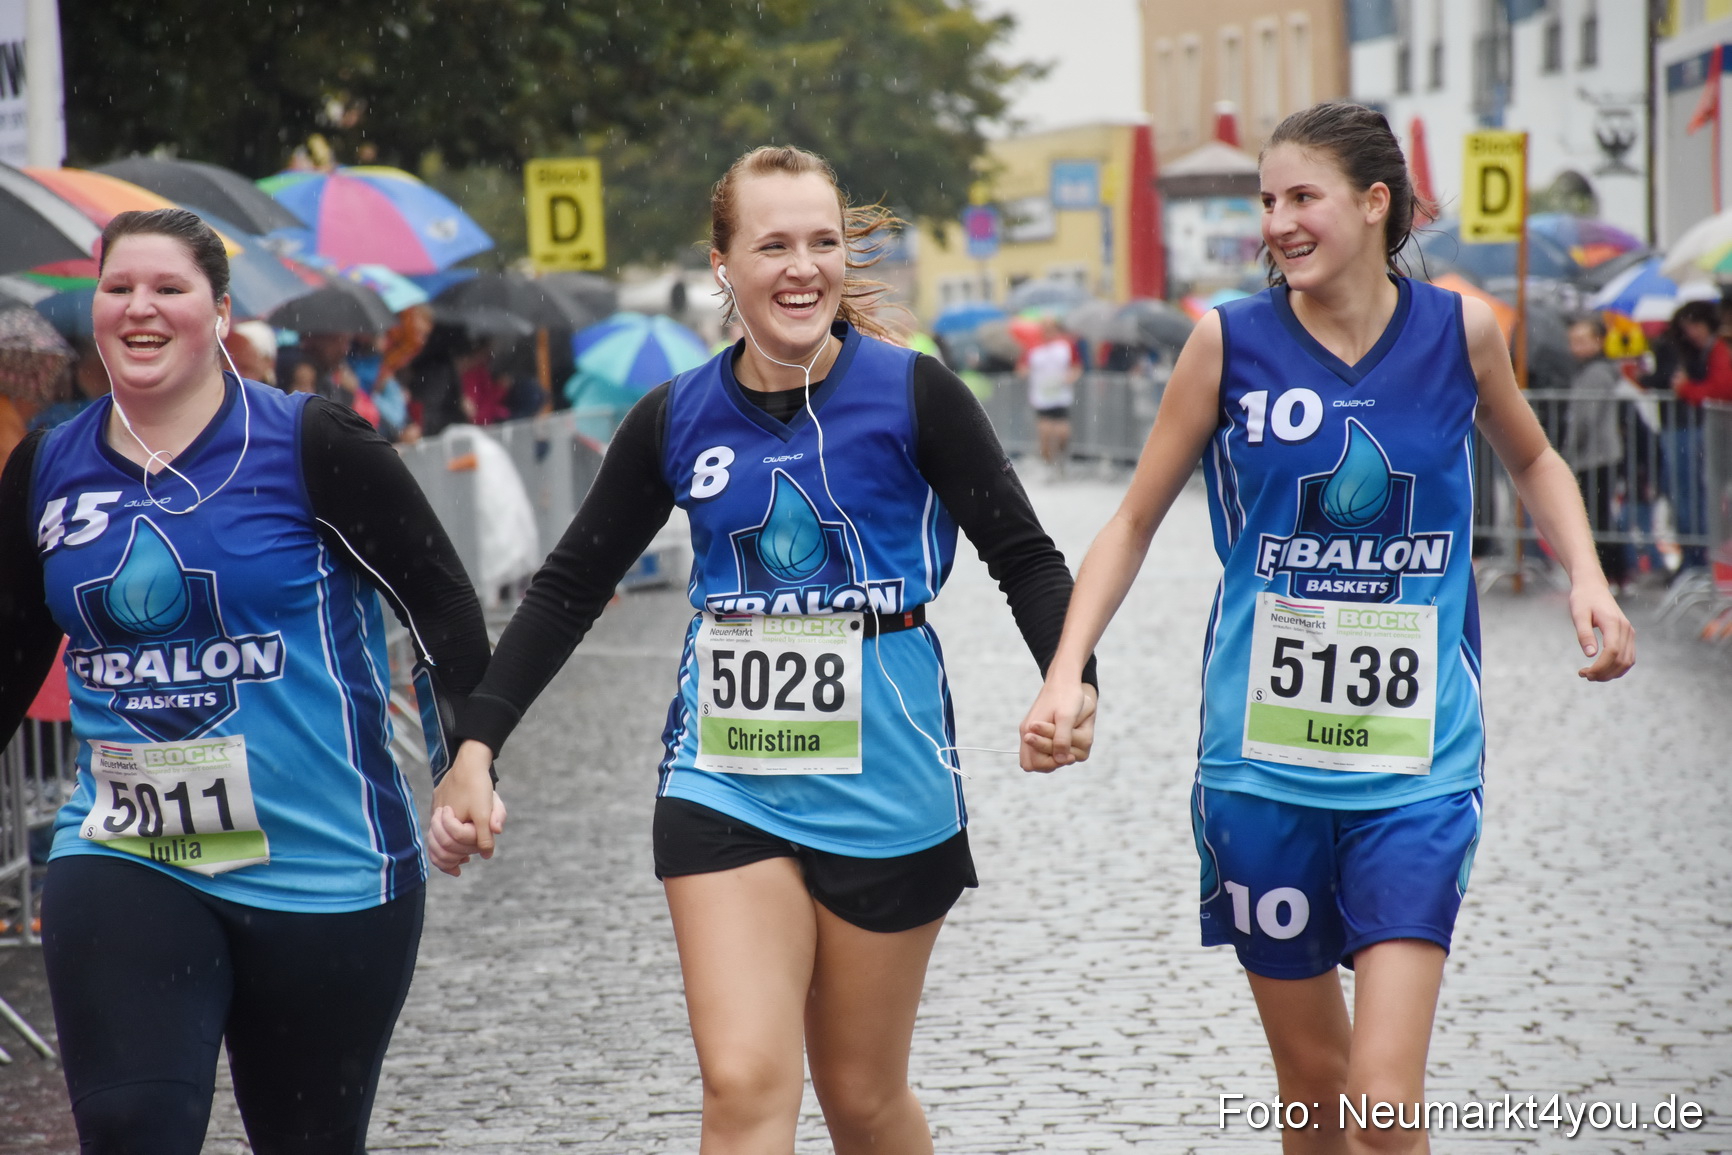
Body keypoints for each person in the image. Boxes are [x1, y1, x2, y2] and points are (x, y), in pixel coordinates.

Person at [428, 144, 1096, 1154]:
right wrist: (477, 746)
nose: (802, 266)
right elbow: (567, 589)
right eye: (773, 244)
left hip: (891, 786)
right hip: (724, 781)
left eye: (822, 242)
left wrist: (1069, 680)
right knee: (742, 1084)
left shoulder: (917, 397)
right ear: (724, 265)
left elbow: (1028, 559)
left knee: (863, 1100)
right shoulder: (677, 417)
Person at [1022, 104, 1634, 1155]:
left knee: (1384, 1110)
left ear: (1373, 202)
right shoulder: (1229, 342)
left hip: (1416, 767)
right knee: (1312, 1091)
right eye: (1267, 201)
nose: (1278, 222)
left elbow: (1532, 459)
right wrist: (1066, 668)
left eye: (1301, 197)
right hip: (1260, 769)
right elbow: (1129, 520)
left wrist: (1586, 576)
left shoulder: (1459, 331)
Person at [0, 208, 494, 1154]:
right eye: (119, 288)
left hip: (325, 864)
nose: (140, 309)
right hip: (128, 850)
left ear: (220, 313)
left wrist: (467, 762)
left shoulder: (314, 444)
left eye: (169, 289)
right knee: (132, 1122)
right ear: (95, 312)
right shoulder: (48, 470)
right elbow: (8, 647)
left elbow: (440, 601)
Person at [1562, 314, 1629, 590]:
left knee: (1597, 518)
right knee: (1597, 516)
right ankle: (1613, 573)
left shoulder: (1596, 372)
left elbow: (1584, 418)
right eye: (1573, 341)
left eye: (1582, 340)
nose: (1575, 347)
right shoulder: (1592, 370)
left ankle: (1612, 573)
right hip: (1596, 454)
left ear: (1598, 342)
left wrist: (1568, 450)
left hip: (1596, 455)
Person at [1025, 315, 1080, 477]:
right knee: (1045, 435)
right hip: (1041, 398)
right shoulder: (1034, 349)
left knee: (1063, 433)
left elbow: (1077, 366)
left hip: (1060, 397)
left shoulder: (1065, 346)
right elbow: (1022, 368)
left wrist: (1071, 377)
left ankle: (1061, 461)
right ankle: (1048, 464)